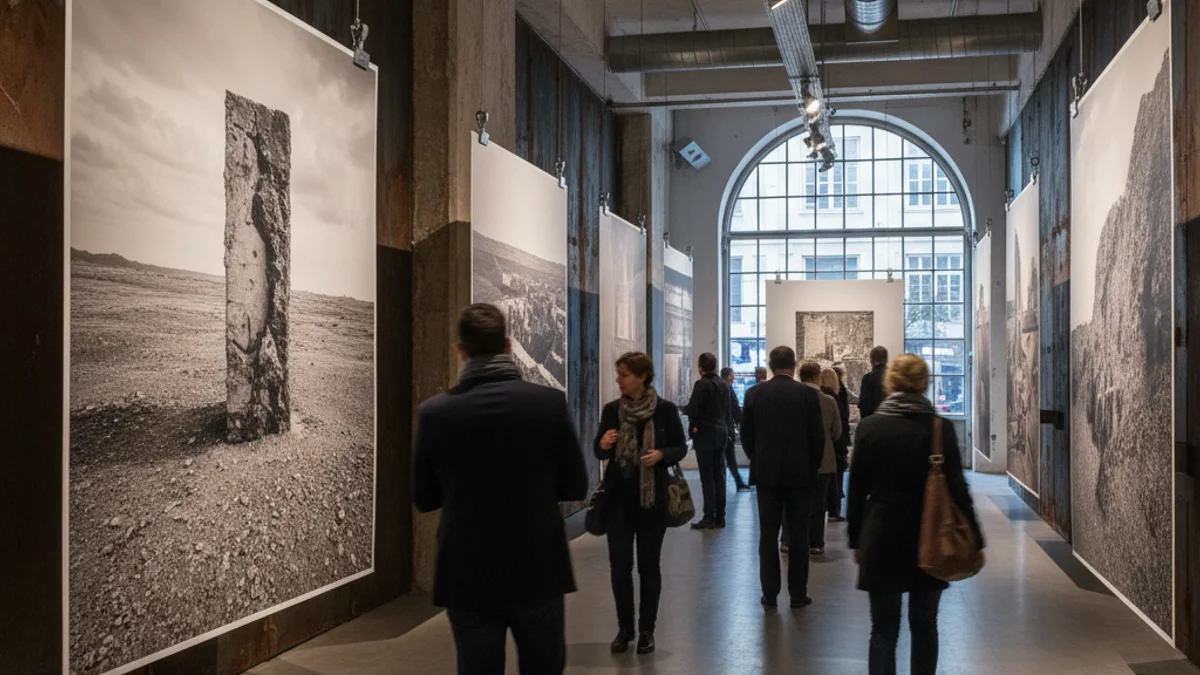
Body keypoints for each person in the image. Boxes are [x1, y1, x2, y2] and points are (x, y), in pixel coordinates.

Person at [413, 304, 590, 675]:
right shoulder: (548, 404)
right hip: (538, 566)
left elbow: (424, 498)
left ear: (460, 351)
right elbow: (576, 484)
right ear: (508, 346)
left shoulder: (435, 413)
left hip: (467, 572)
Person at [848, 354, 984, 675]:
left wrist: (856, 539)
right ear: (924, 382)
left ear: (890, 381)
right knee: (924, 624)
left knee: (883, 629)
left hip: (881, 532)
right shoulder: (939, 428)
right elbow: (957, 487)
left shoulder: (870, 427)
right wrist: (974, 536)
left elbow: (856, 489)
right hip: (930, 532)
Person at [595, 352, 689, 655]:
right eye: (619, 374)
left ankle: (647, 630)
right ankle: (625, 629)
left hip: (652, 501)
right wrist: (603, 444)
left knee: (649, 567)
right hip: (618, 502)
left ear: (642, 377)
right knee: (620, 567)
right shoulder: (612, 410)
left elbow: (680, 447)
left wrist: (661, 455)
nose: (619, 380)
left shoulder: (665, 410)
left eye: (624, 375)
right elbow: (600, 452)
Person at [740, 346, 826, 608]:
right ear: (794, 365)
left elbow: (746, 436)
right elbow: (817, 436)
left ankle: (769, 593)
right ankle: (798, 594)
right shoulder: (807, 395)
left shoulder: (754, 394)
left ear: (770, 365)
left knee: (768, 535)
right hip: (800, 474)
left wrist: (758, 458)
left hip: (766, 474)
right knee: (799, 535)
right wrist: (812, 465)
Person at [684, 353, 734, 529]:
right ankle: (720, 516)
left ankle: (708, 517)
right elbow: (727, 412)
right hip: (721, 433)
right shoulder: (722, 384)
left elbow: (693, 409)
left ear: (700, 367)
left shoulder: (702, 384)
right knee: (719, 475)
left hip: (706, 434)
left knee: (707, 477)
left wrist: (683, 409)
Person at [798, 362, 841, 556]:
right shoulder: (829, 401)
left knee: (796, 502)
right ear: (817, 377)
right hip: (824, 458)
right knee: (819, 503)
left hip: (798, 459)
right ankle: (816, 542)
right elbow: (837, 432)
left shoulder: (794, 400)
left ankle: (794, 540)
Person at [828, 366, 853, 522]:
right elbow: (842, 419)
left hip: (827, 444)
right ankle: (834, 509)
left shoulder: (820, 396)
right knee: (837, 475)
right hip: (837, 442)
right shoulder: (837, 395)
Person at [721, 367, 751, 492]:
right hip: (725, 429)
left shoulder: (727, 389)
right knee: (728, 457)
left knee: (729, 457)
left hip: (725, 428)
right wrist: (740, 422)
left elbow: (734, 408)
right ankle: (735, 482)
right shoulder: (725, 389)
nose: (734, 378)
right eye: (732, 375)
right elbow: (734, 409)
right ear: (728, 376)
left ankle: (736, 482)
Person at [858, 346, 889, 419]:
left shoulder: (868, 378)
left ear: (872, 360)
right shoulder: (893, 377)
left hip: (873, 419)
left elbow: (864, 405)